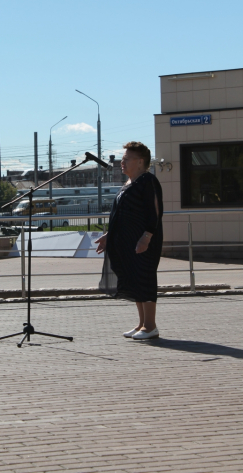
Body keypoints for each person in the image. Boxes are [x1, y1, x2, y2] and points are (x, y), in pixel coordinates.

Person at [95, 141, 163, 340]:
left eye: (126, 159)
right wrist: (110, 235)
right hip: (128, 242)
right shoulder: (129, 183)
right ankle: (142, 324)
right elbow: (123, 215)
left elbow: (155, 212)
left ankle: (150, 326)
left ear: (140, 161)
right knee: (135, 280)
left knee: (145, 278)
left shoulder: (148, 181)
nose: (121, 162)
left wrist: (146, 237)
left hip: (144, 241)